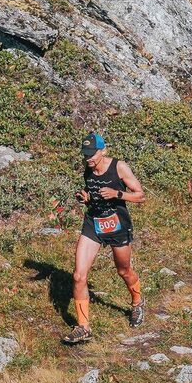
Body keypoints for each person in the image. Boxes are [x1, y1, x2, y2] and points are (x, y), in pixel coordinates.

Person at [63, 132, 146, 346]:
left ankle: (137, 301)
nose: (88, 158)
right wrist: (86, 198)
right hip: (93, 223)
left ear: (103, 150)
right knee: (79, 275)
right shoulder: (88, 169)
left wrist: (117, 194)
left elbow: (140, 195)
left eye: (92, 154)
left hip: (117, 225)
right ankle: (83, 327)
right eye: (85, 155)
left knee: (123, 271)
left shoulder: (119, 167)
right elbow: (94, 195)